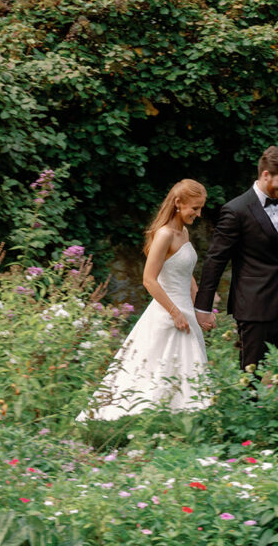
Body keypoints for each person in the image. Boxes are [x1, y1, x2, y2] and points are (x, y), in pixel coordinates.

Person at [77, 179, 210, 420]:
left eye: (201, 208)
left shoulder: (184, 232)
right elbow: (149, 280)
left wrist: (201, 308)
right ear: (178, 203)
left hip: (186, 312)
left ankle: (183, 422)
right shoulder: (165, 235)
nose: (199, 214)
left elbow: (187, 274)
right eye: (195, 208)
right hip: (168, 314)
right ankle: (141, 419)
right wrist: (175, 312)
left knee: (186, 371)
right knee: (153, 373)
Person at [194, 146, 278, 370]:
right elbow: (215, 260)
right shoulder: (236, 210)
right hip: (254, 307)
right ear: (266, 175)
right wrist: (203, 307)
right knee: (251, 378)